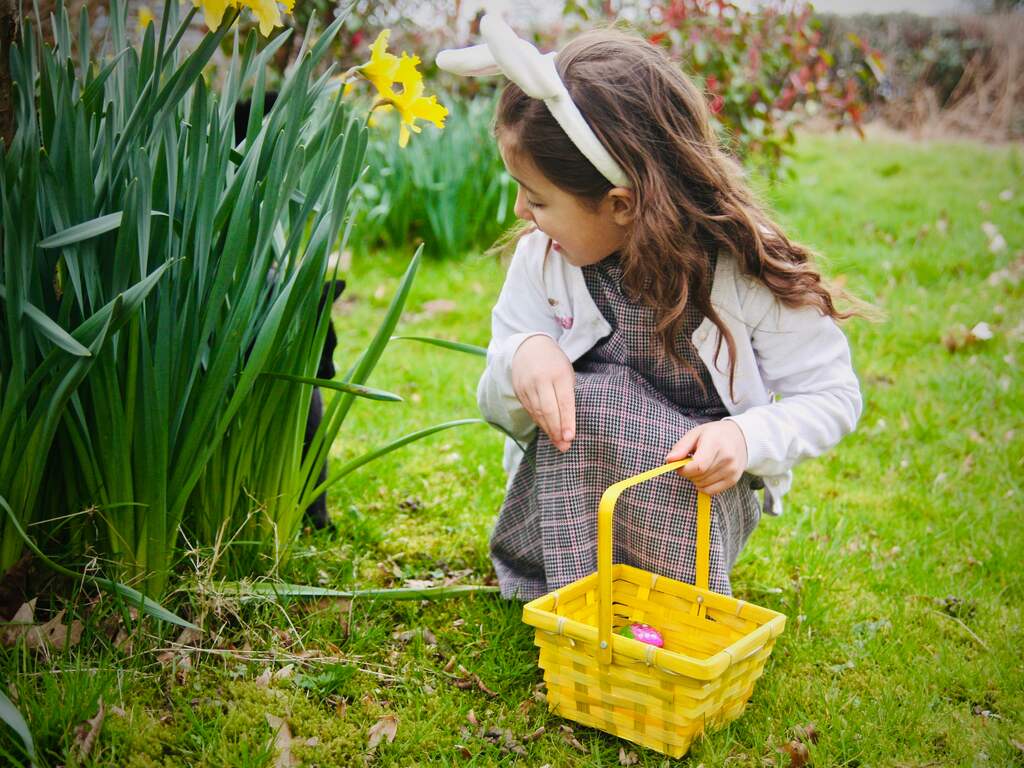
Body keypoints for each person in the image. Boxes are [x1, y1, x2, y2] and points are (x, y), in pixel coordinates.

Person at [437, 18, 863, 601]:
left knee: (603, 400)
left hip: (689, 504)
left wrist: (743, 437)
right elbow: (496, 403)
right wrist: (521, 357)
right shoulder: (545, 260)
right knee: (590, 399)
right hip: (564, 499)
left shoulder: (740, 267)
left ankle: (664, 599)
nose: (521, 211)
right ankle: (563, 589)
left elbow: (834, 396)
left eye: (537, 198)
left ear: (620, 204)